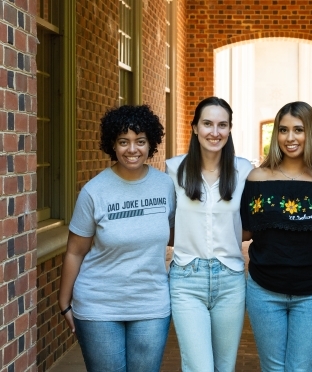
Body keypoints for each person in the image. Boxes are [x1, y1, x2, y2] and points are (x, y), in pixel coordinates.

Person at [58, 105, 175, 372]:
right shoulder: (94, 191)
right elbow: (75, 251)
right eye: (124, 142)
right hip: (99, 305)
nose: (132, 149)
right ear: (113, 144)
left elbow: (173, 235)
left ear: (151, 144)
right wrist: (64, 302)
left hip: (151, 304)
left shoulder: (165, 186)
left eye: (140, 141)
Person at [240, 101, 312, 372]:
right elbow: (246, 230)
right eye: (283, 130)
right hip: (264, 291)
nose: (290, 138)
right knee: (273, 368)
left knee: (301, 368)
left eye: (298, 129)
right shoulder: (257, 178)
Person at [166, 97, 253, 372]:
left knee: (224, 367)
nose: (214, 132)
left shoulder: (245, 171)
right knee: (200, 367)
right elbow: (164, 223)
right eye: (207, 124)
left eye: (222, 125)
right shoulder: (173, 169)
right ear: (194, 128)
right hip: (186, 279)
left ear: (229, 129)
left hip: (230, 279)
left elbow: (252, 222)